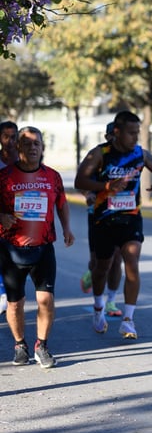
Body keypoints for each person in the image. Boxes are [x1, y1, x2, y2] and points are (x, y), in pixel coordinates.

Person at [74, 110, 152, 339]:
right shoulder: (100, 153)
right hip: (104, 219)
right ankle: (98, 309)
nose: (135, 138)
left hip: (131, 217)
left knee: (131, 263)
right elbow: (80, 180)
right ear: (116, 132)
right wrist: (107, 187)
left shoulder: (141, 154)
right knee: (101, 268)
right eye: (131, 133)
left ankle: (128, 320)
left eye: (137, 133)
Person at [0, 126, 75, 368]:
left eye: (37, 144)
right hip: (11, 248)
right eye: (27, 143)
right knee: (15, 303)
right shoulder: (4, 177)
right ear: (18, 147)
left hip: (43, 247)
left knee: (46, 300)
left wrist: (67, 229)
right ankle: (20, 344)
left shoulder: (52, 176)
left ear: (42, 148)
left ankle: (41, 346)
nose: (33, 148)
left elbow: (62, 203)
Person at [79, 122, 123, 318]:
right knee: (99, 261)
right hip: (97, 215)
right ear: (107, 137)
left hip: (122, 215)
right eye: (114, 136)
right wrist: (88, 193)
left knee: (117, 260)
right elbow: (81, 180)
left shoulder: (129, 157)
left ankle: (112, 301)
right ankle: (91, 274)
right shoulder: (97, 155)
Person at [0, 120, 19, 315]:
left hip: (19, 217)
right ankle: (3, 292)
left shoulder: (24, 160)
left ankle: (10, 292)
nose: (10, 141)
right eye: (6, 136)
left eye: (14, 136)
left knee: (13, 260)